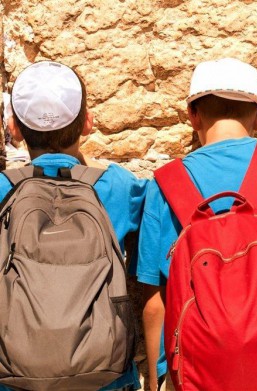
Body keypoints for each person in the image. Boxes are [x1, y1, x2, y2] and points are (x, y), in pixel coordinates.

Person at [136, 57, 257, 391]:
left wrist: (155, 377)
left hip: (196, 370)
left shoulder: (163, 184)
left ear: (193, 115)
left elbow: (154, 300)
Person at [0, 61, 146, 391]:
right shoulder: (119, 187)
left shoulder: (1, 190)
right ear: (87, 124)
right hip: (105, 377)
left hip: (13, 378)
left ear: (15, 128)